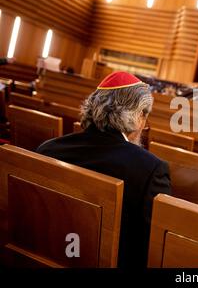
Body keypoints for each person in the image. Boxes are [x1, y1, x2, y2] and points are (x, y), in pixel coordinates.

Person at [37, 71, 171, 268]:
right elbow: (153, 247)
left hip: (44, 255)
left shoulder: (48, 149)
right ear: (139, 117)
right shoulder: (151, 170)